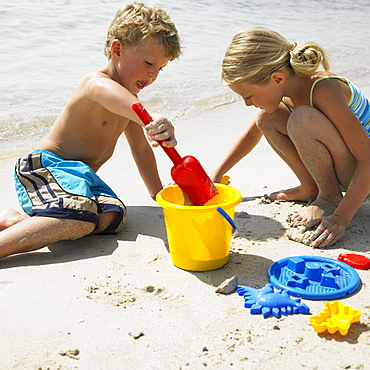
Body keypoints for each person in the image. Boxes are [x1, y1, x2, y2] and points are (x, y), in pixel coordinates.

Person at [0, 3, 182, 259]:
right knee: (81, 217)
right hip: (45, 168)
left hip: (79, 179)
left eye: (160, 68)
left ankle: (16, 222)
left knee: (112, 215)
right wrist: (152, 118)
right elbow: (128, 104)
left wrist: (159, 195)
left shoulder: (130, 100)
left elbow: (141, 150)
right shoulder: (96, 85)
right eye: (148, 62)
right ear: (117, 49)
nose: (153, 75)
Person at [211, 27, 370, 248]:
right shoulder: (288, 88)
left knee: (302, 118)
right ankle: (310, 188)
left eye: (248, 95)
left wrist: (340, 219)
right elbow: (251, 136)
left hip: (363, 179)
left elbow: (368, 159)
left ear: (277, 78)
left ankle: (329, 197)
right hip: (349, 168)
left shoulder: (323, 89)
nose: (247, 103)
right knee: (266, 118)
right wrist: (216, 175)